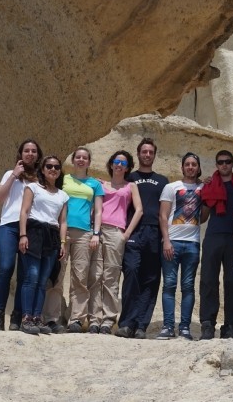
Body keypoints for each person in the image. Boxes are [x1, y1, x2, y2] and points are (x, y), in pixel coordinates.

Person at [116, 138, 169, 339]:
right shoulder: (129, 177)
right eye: (144, 152)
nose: (147, 155)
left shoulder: (163, 180)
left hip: (154, 232)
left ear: (154, 155)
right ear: (138, 154)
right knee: (130, 271)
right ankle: (126, 322)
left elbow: (167, 208)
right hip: (133, 230)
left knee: (151, 278)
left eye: (150, 152)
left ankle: (141, 325)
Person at [0, 139, 43, 331]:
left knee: (24, 274)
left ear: (38, 156)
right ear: (20, 154)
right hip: (9, 226)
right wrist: (14, 174)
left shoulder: (41, 178)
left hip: (31, 228)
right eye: (26, 151)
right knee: (5, 268)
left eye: (33, 151)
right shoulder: (10, 174)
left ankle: (17, 317)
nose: (30, 154)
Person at [199, 149, 233, 339]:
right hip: (213, 236)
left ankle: (231, 324)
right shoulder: (210, 185)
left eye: (228, 162)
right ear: (216, 165)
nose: (224, 165)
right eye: (221, 162)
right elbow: (203, 216)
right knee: (208, 280)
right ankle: (207, 323)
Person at [89, 151, 143, 334]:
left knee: (111, 277)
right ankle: (94, 318)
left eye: (123, 163)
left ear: (127, 168)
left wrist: (126, 233)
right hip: (97, 229)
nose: (119, 165)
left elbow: (139, 210)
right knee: (95, 275)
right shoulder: (100, 184)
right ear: (111, 165)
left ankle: (108, 319)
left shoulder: (130, 186)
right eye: (116, 161)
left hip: (116, 232)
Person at [157, 152, 209, 341]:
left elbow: (203, 217)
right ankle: (168, 326)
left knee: (188, 286)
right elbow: (163, 216)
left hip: (192, 243)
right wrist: (166, 240)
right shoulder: (171, 187)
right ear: (182, 167)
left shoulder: (203, 188)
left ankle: (185, 327)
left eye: (194, 164)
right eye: (187, 164)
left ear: (198, 167)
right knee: (169, 285)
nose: (190, 167)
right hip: (173, 242)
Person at [17, 156, 69, 335]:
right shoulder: (32, 188)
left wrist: (62, 243)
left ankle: (37, 317)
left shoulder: (63, 195)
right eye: (49, 166)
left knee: (43, 280)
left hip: (52, 236)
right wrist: (23, 235)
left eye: (56, 166)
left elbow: (62, 222)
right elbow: (23, 211)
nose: (53, 169)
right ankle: (26, 318)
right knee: (32, 276)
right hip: (34, 232)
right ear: (43, 169)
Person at [61, 147, 104, 334]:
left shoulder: (95, 184)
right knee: (57, 273)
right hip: (61, 231)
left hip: (84, 232)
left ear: (89, 162)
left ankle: (76, 319)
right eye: (78, 157)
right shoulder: (64, 179)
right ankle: (52, 317)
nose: (81, 160)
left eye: (84, 158)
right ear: (73, 160)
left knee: (80, 276)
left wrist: (96, 233)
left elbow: (99, 211)